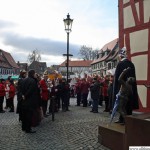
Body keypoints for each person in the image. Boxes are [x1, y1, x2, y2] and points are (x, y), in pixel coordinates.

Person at [112, 47, 139, 124]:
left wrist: (116, 90)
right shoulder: (131, 64)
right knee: (128, 104)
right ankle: (124, 119)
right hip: (130, 89)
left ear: (120, 56)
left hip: (122, 89)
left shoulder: (120, 64)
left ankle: (124, 120)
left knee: (121, 106)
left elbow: (118, 79)